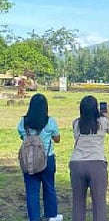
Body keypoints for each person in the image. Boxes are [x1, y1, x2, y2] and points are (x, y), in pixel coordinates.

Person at [17, 93, 63, 221]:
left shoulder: (23, 122)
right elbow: (57, 139)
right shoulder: (50, 121)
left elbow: (22, 137)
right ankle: (51, 215)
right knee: (49, 187)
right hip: (47, 159)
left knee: (32, 192)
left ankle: (34, 218)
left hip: (29, 160)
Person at [69, 95, 109, 221]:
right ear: (96, 108)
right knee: (99, 202)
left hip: (77, 162)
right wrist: (106, 115)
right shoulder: (102, 122)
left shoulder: (76, 123)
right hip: (97, 163)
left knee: (78, 202)